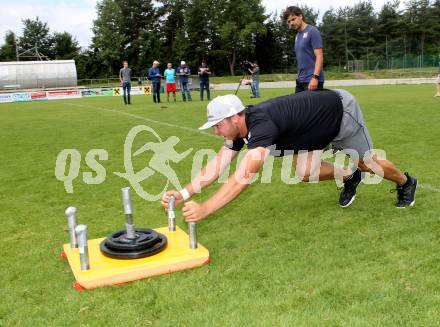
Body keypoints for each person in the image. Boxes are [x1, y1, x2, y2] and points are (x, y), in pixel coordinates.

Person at [161, 90, 418, 222]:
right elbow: (219, 163)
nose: (216, 131)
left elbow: (245, 174)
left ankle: (406, 183)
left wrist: (206, 208)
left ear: (236, 117)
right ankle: (352, 176)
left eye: (218, 125)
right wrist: (183, 194)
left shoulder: (261, 126)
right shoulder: (239, 128)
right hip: (311, 129)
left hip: (339, 114)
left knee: (368, 162)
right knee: (305, 173)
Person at [284, 6, 324, 93]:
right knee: (296, 106)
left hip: (312, 80)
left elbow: (319, 56)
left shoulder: (312, 31)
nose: (291, 23)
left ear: (301, 16)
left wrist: (315, 77)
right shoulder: (297, 36)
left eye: (293, 19)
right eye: (289, 21)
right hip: (300, 81)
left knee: (313, 107)